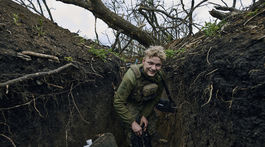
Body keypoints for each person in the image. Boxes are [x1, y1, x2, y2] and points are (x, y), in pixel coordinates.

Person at [113, 46, 166, 146]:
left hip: (146, 104)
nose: (153, 68)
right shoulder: (131, 76)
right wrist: (132, 122)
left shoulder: (160, 77)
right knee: (134, 134)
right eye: (150, 63)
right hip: (130, 104)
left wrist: (144, 115)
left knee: (149, 129)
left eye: (158, 65)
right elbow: (118, 102)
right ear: (144, 61)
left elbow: (156, 98)